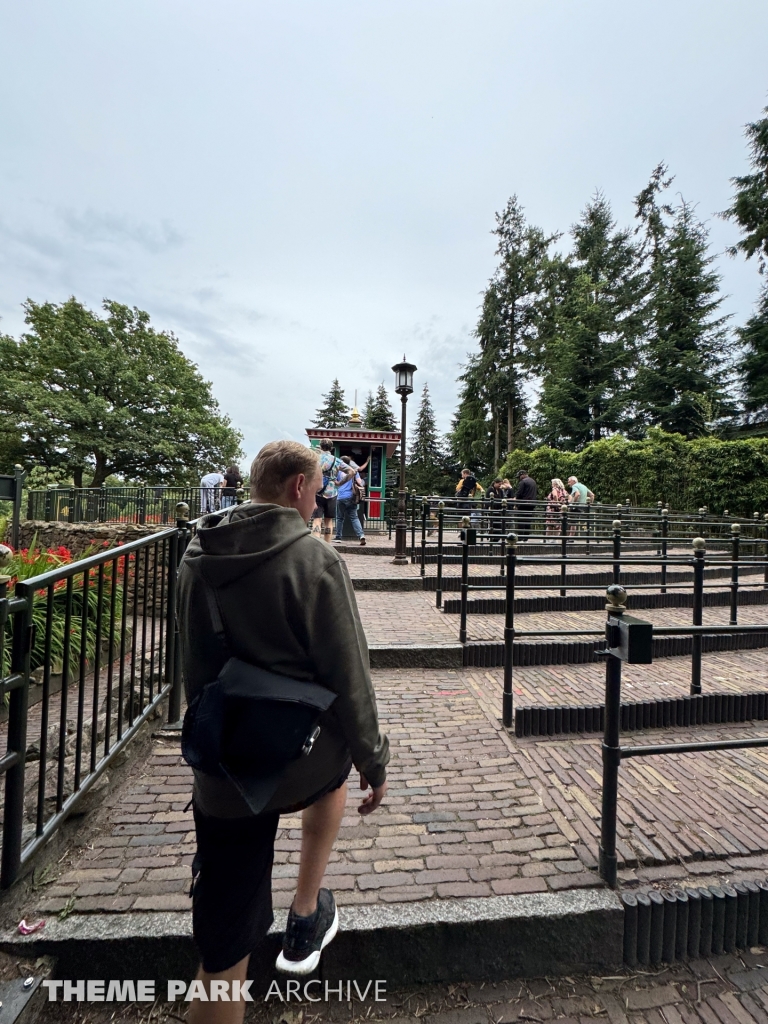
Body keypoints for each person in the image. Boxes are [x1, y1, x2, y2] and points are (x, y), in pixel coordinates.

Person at [177, 440, 389, 1024]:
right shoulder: (314, 561)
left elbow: (193, 665)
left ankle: (233, 938)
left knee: (222, 950)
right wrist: (374, 757)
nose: (320, 498)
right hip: (300, 760)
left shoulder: (196, 555)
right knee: (336, 765)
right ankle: (304, 914)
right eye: (318, 487)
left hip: (225, 767)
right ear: (297, 486)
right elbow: (349, 673)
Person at [315, 440, 353, 543]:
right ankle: (327, 546)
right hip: (331, 493)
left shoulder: (315, 459)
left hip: (317, 491)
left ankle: (317, 545)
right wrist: (340, 483)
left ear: (320, 446)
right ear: (331, 448)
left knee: (317, 519)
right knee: (329, 521)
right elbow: (351, 472)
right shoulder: (336, 461)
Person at [334, 456, 366, 546]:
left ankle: (338, 537)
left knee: (340, 518)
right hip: (352, 497)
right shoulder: (354, 471)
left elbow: (334, 482)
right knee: (354, 518)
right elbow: (360, 483)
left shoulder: (338, 471)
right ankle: (361, 535)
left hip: (340, 497)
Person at [514, 469, 538, 541]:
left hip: (523, 503)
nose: (519, 478)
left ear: (523, 475)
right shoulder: (533, 481)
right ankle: (526, 537)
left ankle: (520, 537)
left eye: (519, 476)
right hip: (532, 503)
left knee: (521, 520)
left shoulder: (523, 482)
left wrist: (516, 502)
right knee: (528, 520)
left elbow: (519, 493)